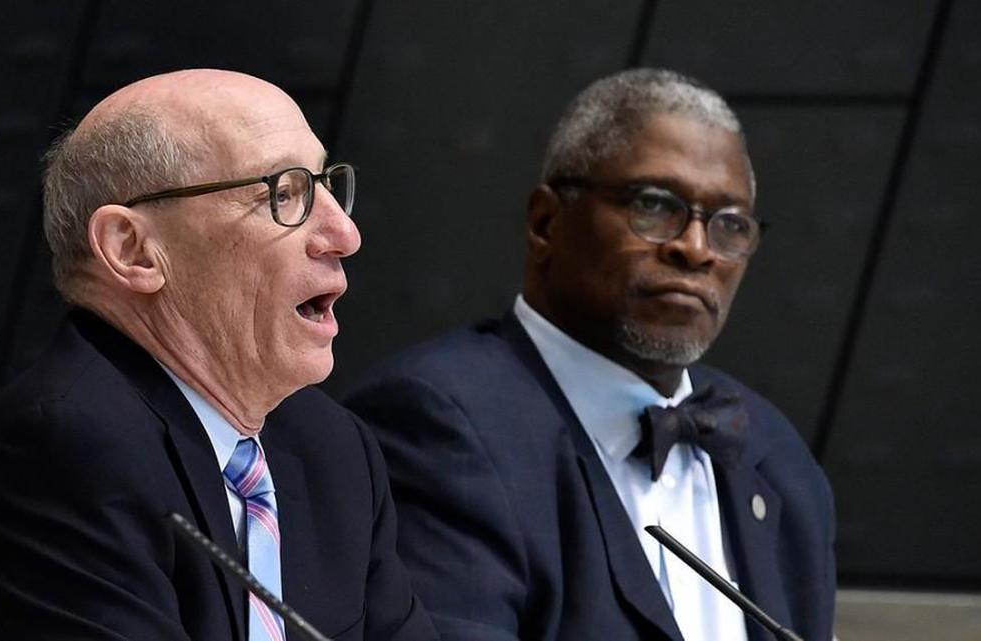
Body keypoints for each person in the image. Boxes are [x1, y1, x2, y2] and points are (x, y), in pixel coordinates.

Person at [0, 69, 436, 641]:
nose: (344, 232)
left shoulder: (331, 449)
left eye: (326, 184)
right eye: (284, 193)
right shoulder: (62, 448)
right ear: (132, 249)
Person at [344, 68, 835, 641]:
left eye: (730, 224)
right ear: (546, 222)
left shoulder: (775, 455)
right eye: (655, 205)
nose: (696, 249)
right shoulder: (435, 421)